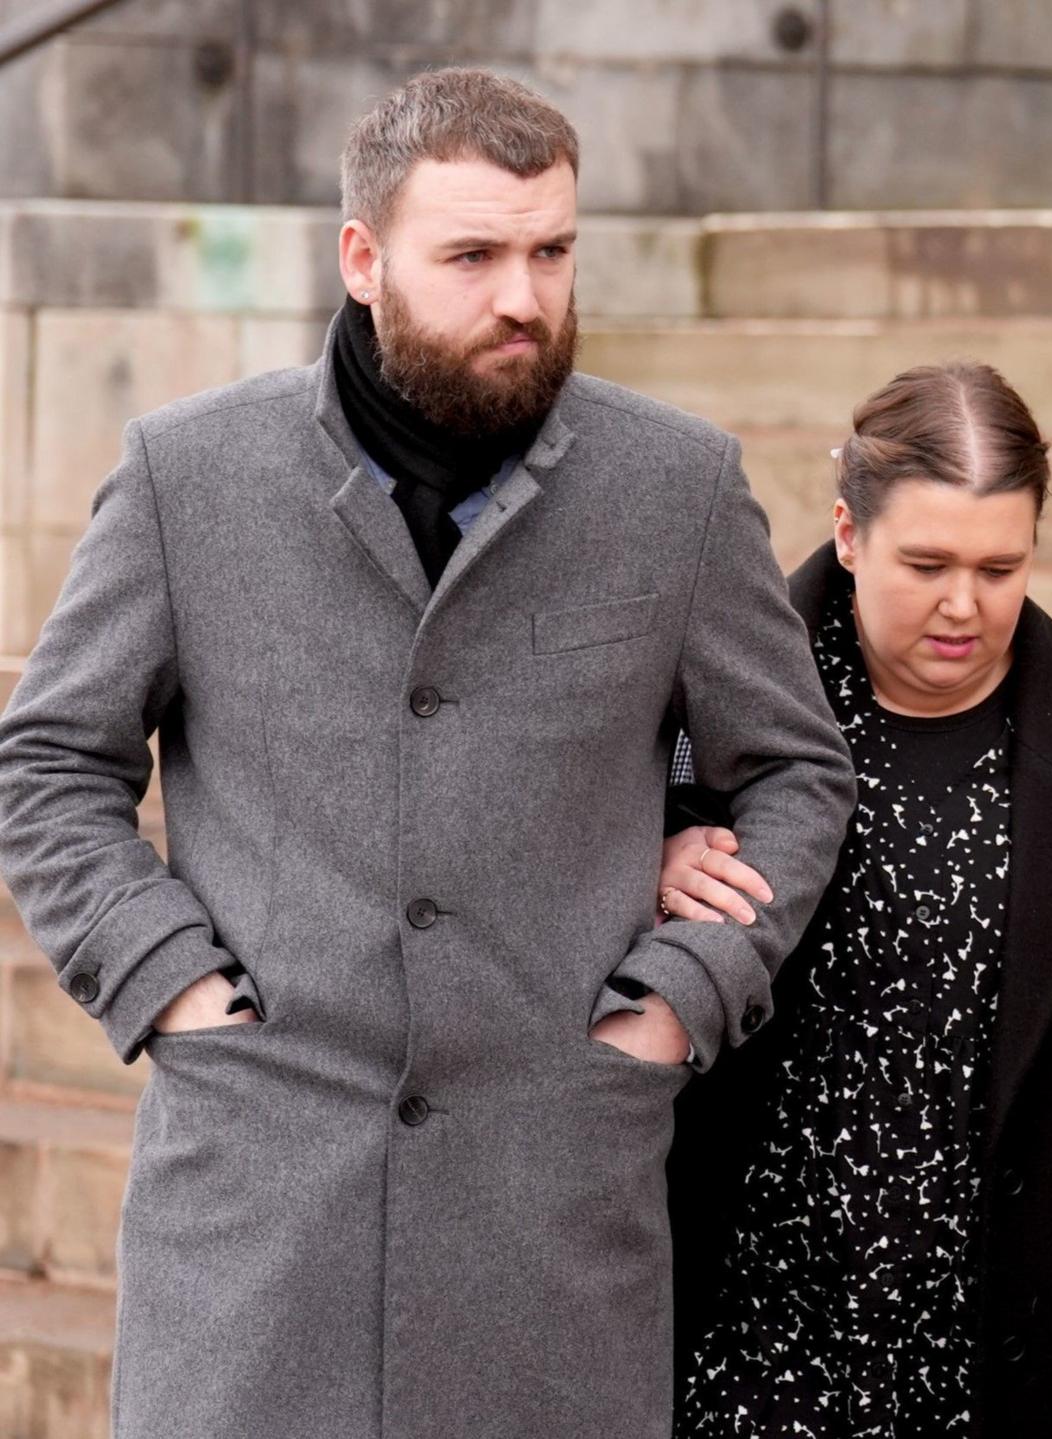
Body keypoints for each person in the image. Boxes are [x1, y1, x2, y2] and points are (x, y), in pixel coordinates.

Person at [0, 69, 858, 1438]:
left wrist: (682, 997)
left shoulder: (677, 489)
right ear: (362, 257)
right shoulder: (188, 476)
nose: (524, 295)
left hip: (554, 1214)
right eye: (473, 255)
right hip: (258, 1222)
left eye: (553, 251)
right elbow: (47, 762)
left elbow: (799, 775)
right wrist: (173, 988)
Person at [656, 362, 1052, 1437]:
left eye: (1000, 566)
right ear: (847, 532)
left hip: (1022, 1368)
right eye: (925, 562)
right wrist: (641, 857)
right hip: (736, 1352)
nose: (962, 604)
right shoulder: (693, 717)